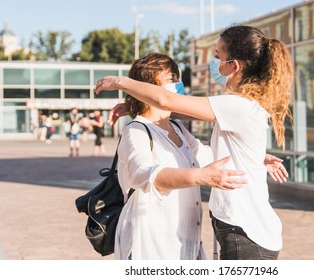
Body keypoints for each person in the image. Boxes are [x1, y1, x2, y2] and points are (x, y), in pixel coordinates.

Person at [95, 25, 293, 260]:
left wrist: (120, 82)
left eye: (218, 57)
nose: (214, 64)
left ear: (234, 66)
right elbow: (181, 120)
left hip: (246, 233)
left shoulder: (237, 105)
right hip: (240, 232)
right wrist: (136, 106)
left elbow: (166, 100)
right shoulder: (238, 106)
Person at [113, 52, 247, 260]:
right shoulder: (137, 131)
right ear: (148, 87)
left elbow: (208, 156)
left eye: (177, 77)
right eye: (171, 79)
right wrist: (200, 177)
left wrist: (255, 157)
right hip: (152, 248)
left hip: (187, 246)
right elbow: (146, 175)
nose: (178, 84)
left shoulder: (178, 128)